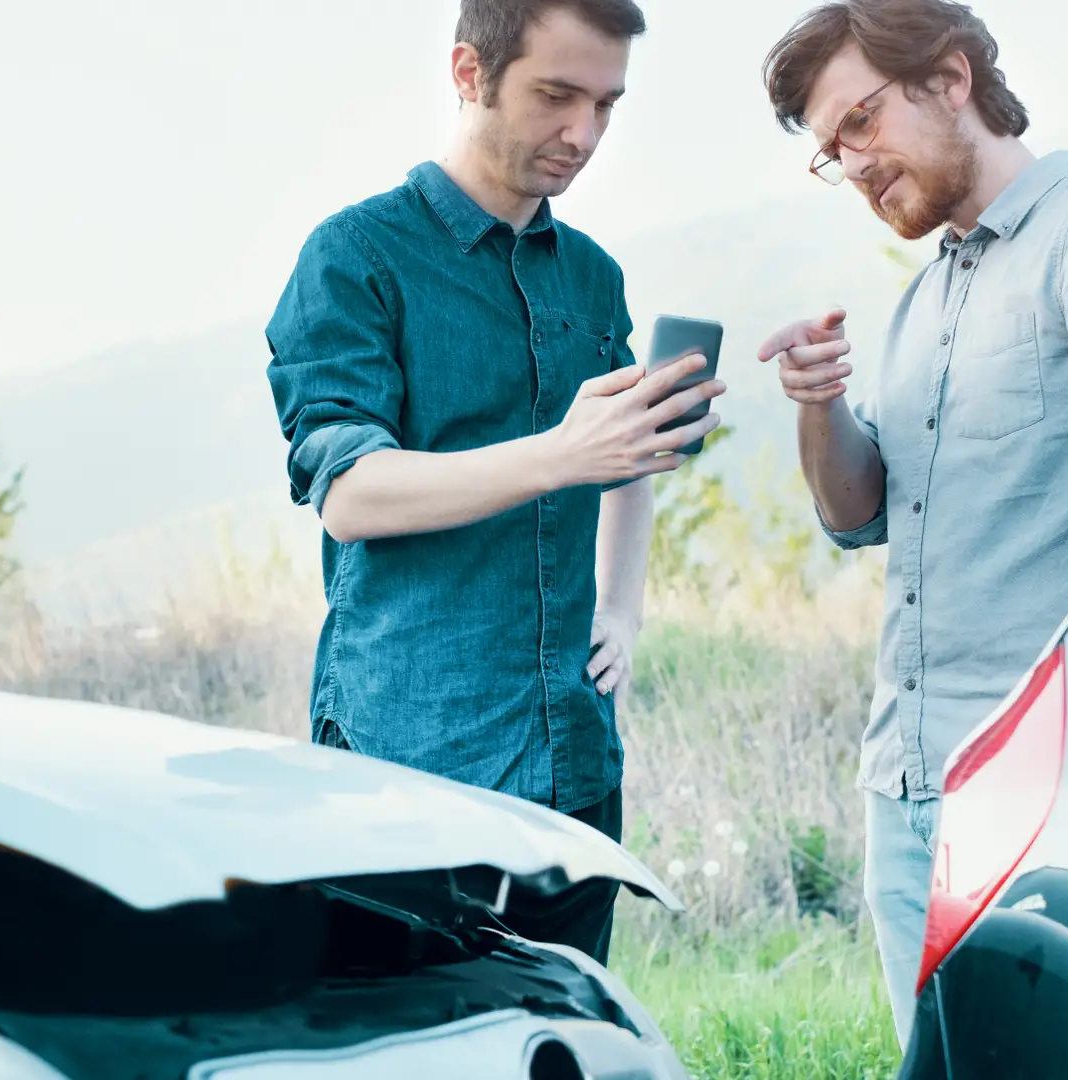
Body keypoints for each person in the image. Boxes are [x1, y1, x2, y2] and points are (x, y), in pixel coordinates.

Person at [756, 0, 1068, 1041]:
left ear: (952, 78)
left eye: (862, 122)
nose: (856, 164)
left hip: (1049, 799)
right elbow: (859, 510)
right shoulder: (922, 303)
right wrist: (818, 406)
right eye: (835, 153)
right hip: (904, 790)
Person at [262, 0, 723, 966]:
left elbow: (626, 454)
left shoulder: (593, 276)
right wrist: (564, 453)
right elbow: (353, 495)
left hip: (575, 759)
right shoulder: (354, 257)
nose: (584, 135)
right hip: (411, 762)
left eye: (607, 105)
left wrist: (625, 609)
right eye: (557, 96)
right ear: (470, 73)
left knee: (563, 1042)